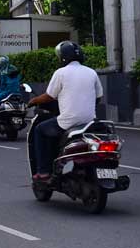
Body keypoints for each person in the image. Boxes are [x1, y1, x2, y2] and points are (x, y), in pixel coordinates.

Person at [27, 41, 103, 181]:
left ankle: (43, 171)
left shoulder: (61, 73)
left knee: (39, 130)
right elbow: (99, 97)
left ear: (63, 57)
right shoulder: (91, 72)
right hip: (89, 121)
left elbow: (49, 96)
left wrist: (34, 101)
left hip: (69, 121)